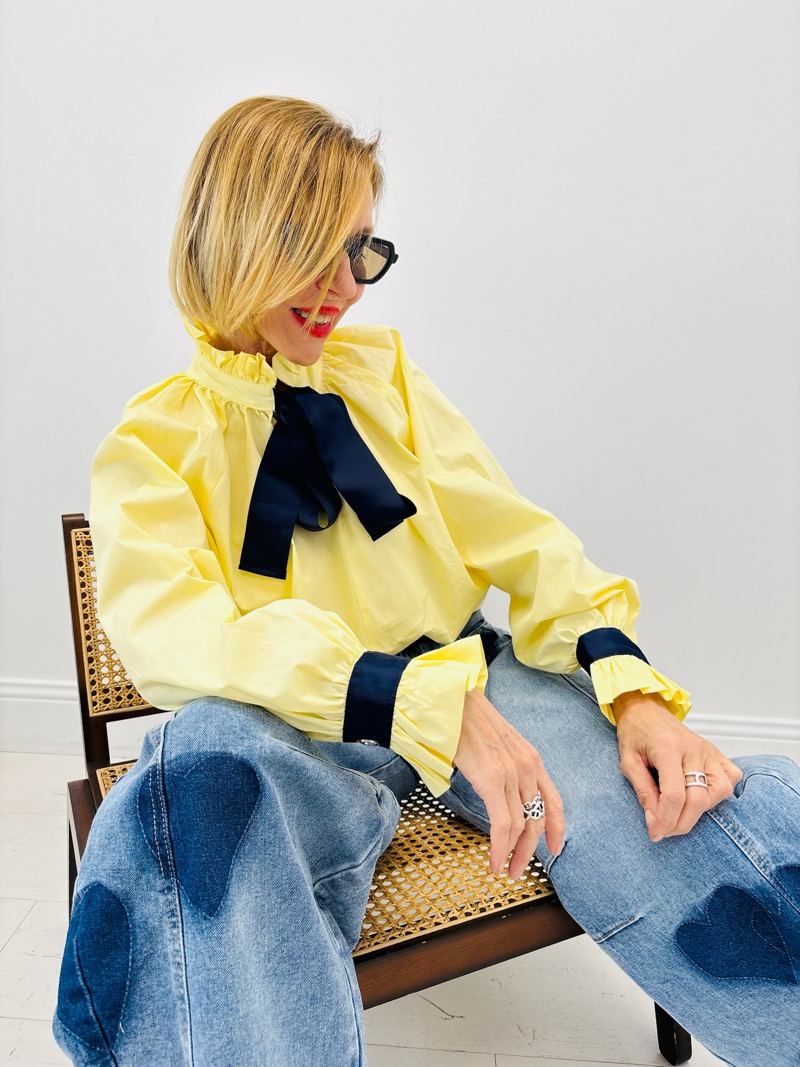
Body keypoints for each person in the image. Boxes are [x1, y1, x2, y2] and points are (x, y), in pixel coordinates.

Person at [54, 96, 799, 1067]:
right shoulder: (151, 443)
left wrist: (633, 689)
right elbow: (177, 636)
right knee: (197, 784)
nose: (344, 287)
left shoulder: (383, 375)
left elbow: (516, 537)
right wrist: (401, 696)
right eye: (314, 249)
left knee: (685, 814)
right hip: (299, 730)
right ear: (237, 234)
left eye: (362, 250)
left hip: (480, 680)